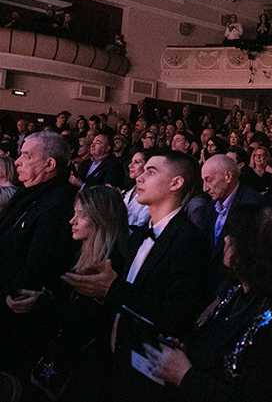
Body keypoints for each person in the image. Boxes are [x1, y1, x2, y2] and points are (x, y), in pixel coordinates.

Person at [62, 151, 212, 402]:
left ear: (176, 183)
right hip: (116, 359)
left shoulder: (189, 241)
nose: (139, 178)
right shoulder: (141, 234)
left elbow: (176, 315)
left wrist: (111, 289)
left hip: (149, 373)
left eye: (151, 172)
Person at [144, 206, 272, 401]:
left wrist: (184, 375)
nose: (225, 239)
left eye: (233, 237)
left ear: (252, 250)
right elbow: (216, 347)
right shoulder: (239, 292)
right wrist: (186, 351)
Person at [10, 185, 129, 402]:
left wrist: (42, 305)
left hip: (82, 372)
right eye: (74, 213)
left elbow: (84, 323)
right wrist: (43, 298)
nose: (72, 221)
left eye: (81, 215)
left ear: (101, 218)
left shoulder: (111, 264)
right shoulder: (78, 254)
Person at [0, 132, 79, 385]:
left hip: (16, 320)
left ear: (49, 165)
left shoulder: (58, 202)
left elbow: (37, 268)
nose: (17, 161)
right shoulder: (29, 192)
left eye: (26, 155)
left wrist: (5, 295)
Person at [200, 154, 262, 292]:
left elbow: (247, 259)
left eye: (209, 180)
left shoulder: (251, 204)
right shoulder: (211, 207)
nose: (205, 188)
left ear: (228, 176)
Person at [123, 151, 151, 228]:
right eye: (131, 162)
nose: (130, 165)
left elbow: (140, 224)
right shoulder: (127, 191)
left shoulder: (150, 193)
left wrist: (119, 205)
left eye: (136, 162)